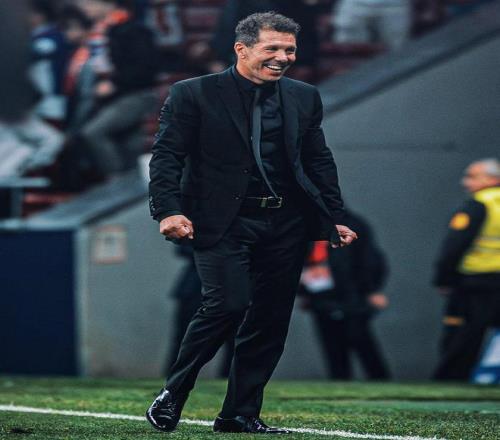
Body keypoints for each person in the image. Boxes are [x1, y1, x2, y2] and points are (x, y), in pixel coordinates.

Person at [146, 11, 357, 434]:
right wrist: (168, 210)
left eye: (289, 50)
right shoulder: (192, 93)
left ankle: (239, 414)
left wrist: (334, 216)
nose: (283, 57)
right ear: (241, 49)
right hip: (223, 221)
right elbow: (167, 156)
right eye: (272, 48)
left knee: (270, 320)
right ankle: (174, 392)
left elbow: (318, 159)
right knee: (228, 303)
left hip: (286, 222)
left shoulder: (304, 96)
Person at [299, 209, 391, 380]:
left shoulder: (353, 224)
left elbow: (369, 259)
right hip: (321, 297)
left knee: (362, 342)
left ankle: (380, 381)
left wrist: (371, 290)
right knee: (332, 348)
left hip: (352, 296)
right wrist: (304, 292)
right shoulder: (307, 224)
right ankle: (339, 382)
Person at [433, 158, 500, 381]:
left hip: (476, 281)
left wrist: (444, 278)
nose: (465, 182)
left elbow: (455, 245)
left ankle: (451, 381)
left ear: (492, 179)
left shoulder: (478, 205)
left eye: (473, 176)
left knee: (463, 337)